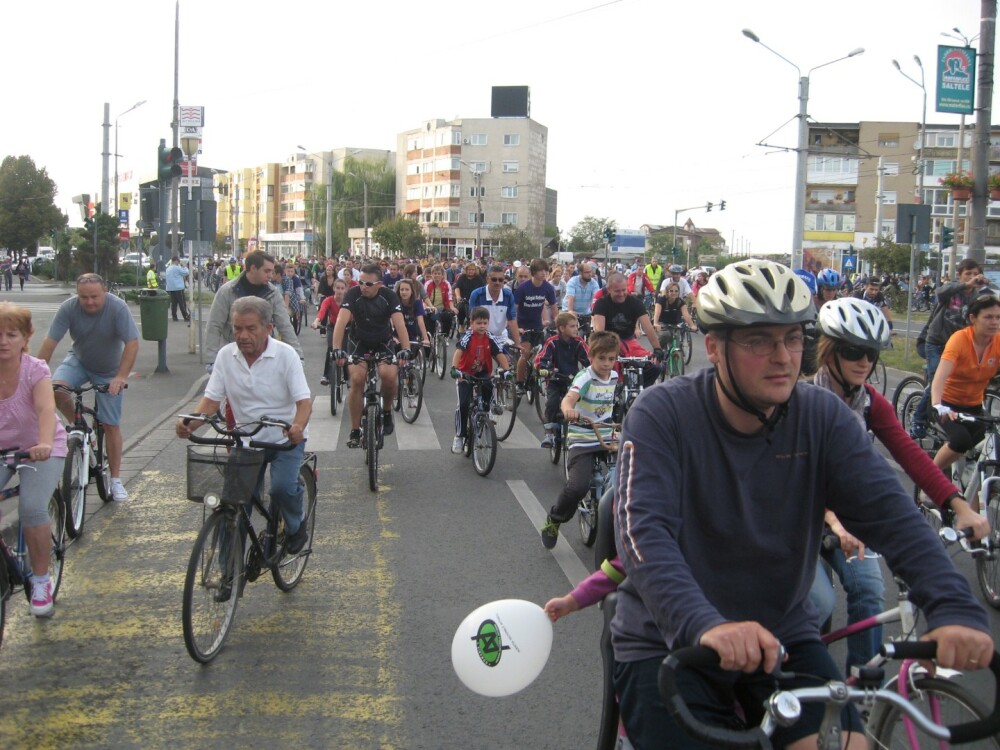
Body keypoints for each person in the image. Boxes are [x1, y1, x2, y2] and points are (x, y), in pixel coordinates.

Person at [610, 259, 992, 750]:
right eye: (758, 341)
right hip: (671, 640)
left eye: (793, 339)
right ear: (714, 348)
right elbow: (642, 531)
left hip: (782, 632)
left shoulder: (822, 417)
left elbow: (891, 515)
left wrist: (953, 604)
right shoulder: (662, 414)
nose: (784, 357)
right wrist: (703, 624)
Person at [810, 297, 989, 673]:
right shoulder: (802, 401)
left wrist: (960, 506)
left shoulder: (870, 402)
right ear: (828, 351)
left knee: (870, 592)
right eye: (853, 351)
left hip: (851, 524)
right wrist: (833, 521)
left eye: (872, 354)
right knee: (817, 604)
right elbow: (805, 476)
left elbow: (912, 456)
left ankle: (862, 689)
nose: (864, 362)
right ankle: (798, 677)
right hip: (802, 522)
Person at [175, 296, 312, 557]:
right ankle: (227, 575)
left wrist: (297, 426)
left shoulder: (286, 355)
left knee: (282, 488)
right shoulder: (226, 356)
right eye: (237, 328)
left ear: (268, 328)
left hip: (285, 439)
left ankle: (296, 527)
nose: (243, 335)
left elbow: (304, 403)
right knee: (233, 504)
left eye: (251, 328)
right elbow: (211, 401)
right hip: (247, 441)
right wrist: (190, 422)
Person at [36, 273, 139, 502]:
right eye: (84, 297)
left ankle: (115, 479)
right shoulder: (68, 308)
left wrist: (120, 377)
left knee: (111, 424)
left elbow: (132, 342)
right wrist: (34, 375)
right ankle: (79, 425)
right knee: (55, 388)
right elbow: (50, 342)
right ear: (77, 295)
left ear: (104, 292)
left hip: (109, 371)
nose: (89, 302)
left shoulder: (118, 308)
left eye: (94, 296)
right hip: (79, 361)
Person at [0, 302, 67, 616]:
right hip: (3, 449)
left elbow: (45, 410)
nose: (3, 341)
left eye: (11, 334)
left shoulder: (35, 369)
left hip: (40, 447)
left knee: (30, 507)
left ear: (25, 337)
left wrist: (42, 442)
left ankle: (41, 579)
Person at [540, 330, 619, 549]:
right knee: (577, 487)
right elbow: (568, 399)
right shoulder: (585, 377)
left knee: (630, 476)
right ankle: (555, 519)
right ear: (591, 357)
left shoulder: (613, 377)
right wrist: (568, 410)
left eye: (611, 359)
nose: (606, 364)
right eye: (601, 358)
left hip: (605, 434)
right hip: (583, 437)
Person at [331, 264, 411, 449]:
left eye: (368, 284)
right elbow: (341, 322)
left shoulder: (389, 296)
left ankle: (387, 411)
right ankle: (355, 430)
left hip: (383, 342)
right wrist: (336, 348)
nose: (363, 287)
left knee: (389, 376)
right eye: (360, 282)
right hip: (359, 342)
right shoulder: (353, 294)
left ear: (379, 284)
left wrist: (405, 348)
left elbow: (400, 325)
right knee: (357, 380)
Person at [912, 259, 990, 438]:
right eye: (967, 274)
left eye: (975, 274)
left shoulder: (976, 296)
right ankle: (919, 418)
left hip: (959, 346)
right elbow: (939, 293)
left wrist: (987, 286)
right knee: (938, 382)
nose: (971, 277)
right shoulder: (952, 288)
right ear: (960, 275)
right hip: (936, 343)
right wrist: (965, 284)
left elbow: (989, 305)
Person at [931, 294, 1000, 478]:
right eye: (988, 317)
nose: (994, 322)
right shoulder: (959, 340)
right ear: (973, 318)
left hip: (974, 405)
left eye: (998, 317)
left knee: (988, 452)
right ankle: (929, 478)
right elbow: (940, 377)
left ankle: (974, 504)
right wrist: (939, 406)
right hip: (948, 404)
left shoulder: (998, 341)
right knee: (961, 441)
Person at [204, 250, 303, 368]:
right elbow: (214, 325)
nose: (271, 276)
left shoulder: (273, 293)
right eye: (266, 271)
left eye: (272, 271)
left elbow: (285, 325)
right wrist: (211, 360)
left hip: (264, 357)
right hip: (234, 356)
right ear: (253, 268)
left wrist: (298, 357)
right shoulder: (227, 291)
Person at [448, 306, 512, 454]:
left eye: (484, 323)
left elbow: (499, 354)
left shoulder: (490, 337)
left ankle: (487, 411)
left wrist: (507, 371)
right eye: (478, 323)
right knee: (463, 405)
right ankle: (459, 436)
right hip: (465, 374)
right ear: (471, 323)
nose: (482, 326)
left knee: (489, 386)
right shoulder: (467, 337)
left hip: (483, 372)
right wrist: (454, 369)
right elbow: (459, 352)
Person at [591, 272, 662, 388]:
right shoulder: (601, 303)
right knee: (603, 369)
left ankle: (638, 392)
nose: (622, 294)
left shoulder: (635, 302)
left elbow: (648, 328)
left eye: (624, 290)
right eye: (617, 291)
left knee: (655, 367)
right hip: (607, 342)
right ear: (609, 289)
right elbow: (600, 333)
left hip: (629, 342)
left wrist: (657, 348)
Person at [535, 311, 591, 448]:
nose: (576, 329)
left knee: (582, 402)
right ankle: (549, 433)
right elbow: (542, 358)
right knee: (552, 403)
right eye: (572, 326)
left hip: (573, 379)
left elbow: (589, 358)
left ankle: (583, 428)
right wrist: (543, 368)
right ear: (561, 328)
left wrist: (593, 369)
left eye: (576, 326)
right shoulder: (552, 342)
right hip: (554, 378)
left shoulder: (579, 342)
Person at [513, 259, 558, 393]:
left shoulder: (548, 288)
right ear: (533, 272)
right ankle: (519, 383)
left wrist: (559, 326)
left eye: (545, 270)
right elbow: (513, 311)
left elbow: (555, 309)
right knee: (525, 353)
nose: (544, 273)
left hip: (538, 326)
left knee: (546, 353)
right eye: (540, 271)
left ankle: (537, 374)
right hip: (523, 326)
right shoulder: (523, 288)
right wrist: (516, 328)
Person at [468, 265, 521, 347]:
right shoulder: (476, 294)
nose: (497, 282)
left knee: (507, 360)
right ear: (487, 279)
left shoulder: (508, 295)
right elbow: (473, 320)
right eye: (494, 279)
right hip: (479, 336)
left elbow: (512, 321)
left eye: (500, 280)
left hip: (500, 337)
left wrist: (518, 344)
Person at [652, 282, 696, 352]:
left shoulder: (680, 302)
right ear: (667, 292)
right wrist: (656, 323)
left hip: (675, 324)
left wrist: (692, 325)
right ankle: (658, 351)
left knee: (677, 342)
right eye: (671, 291)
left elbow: (686, 314)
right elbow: (657, 313)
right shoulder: (661, 300)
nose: (674, 293)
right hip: (662, 323)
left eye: (676, 291)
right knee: (665, 335)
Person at [397, 278, 430, 354]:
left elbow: (420, 321)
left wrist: (425, 338)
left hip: (412, 335)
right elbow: (391, 322)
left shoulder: (417, 303)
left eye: (407, 290)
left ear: (412, 291)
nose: (404, 292)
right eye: (402, 290)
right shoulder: (395, 302)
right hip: (397, 336)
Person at [423, 264, 455, 338]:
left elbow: (450, 297)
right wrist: (427, 308)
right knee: (429, 330)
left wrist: (452, 307)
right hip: (430, 308)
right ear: (432, 275)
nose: (437, 275)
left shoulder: (446, 284)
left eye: (439, 274)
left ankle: (445, 336)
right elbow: (425, 298)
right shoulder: (428, 284)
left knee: (448, 317)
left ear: (442, 275)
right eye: (435, 273)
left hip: (442, 308)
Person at [453, 262, 485, 333]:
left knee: (474, 312)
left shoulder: (478, 278)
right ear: (466, 270)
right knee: (460, 308)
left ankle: (471, 325)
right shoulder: (462, 277)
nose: (471, 271)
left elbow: (483, 289)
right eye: (469, 269)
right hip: (464, 299)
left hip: (475, 299)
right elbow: (457, 287)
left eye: (472, 269)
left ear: (475, 270)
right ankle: (461, 324)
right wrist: (458, 296)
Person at [164, 256, 191, 322]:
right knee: (182, 303)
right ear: (175, 260)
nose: (179, 263)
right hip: (178, 288)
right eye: (178, 261)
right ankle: (186, 316)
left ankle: (174, 317)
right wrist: (184, 266)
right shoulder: (177, 268)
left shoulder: (168, 269)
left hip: (171, 288)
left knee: (174, 303)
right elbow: (186, 272)